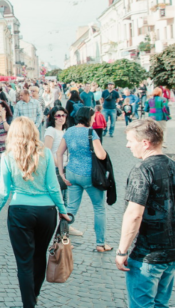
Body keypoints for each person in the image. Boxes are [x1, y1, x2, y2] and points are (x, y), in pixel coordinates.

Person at [0, 117, 70, 308]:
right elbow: (53, 186)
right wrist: (62, 209)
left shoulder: (8, 156)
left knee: (24, 262)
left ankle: (29, 303)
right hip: (46, 212)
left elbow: (4, 189)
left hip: (20, 210)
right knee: (39, 255)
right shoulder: (46, 154)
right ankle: (34, 293)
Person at [116, 119, 175, 308]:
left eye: (130, 140)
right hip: (173, 253)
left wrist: (122, 251)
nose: (127, 145)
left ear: (145, 143)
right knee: (160, 304)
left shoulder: (142, 170)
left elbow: (134, 215)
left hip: (147, 255)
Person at [56, 107, 112, 250]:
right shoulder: (91, 133)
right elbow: (101, 155)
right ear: (88, 117)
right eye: (92, 117)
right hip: (89, 175)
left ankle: (62, 239)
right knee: (99, 208)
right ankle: (100, 243)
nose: (93, 120)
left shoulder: (69, 131)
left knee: (71, 208)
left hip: (72, 173)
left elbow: (59, 152)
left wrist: (62, 174)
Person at [44, 107, 69, 207]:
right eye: (58, 116)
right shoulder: (51, 130)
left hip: (65, 166)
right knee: (57, 198)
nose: (61, 118)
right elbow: (47, 150)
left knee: (64, 198)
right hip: (55, 168)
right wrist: (59, 167)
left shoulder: (64, 131)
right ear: (53, 118)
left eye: (63, 115)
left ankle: (64, 221)